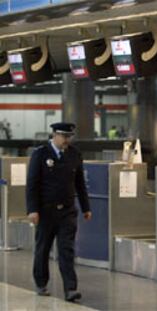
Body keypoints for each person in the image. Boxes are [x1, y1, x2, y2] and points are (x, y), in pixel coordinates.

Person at [26, 122, 92, 302]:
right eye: (64, 136)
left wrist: (86, 207)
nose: (67, 140)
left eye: (69, 137)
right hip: (45, 212)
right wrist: (32, 210)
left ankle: (70, 288)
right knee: (43, 249)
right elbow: (32, 184)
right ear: (54, 135)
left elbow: (79, 184)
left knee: (66, 250)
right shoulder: (40, 154)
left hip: (67, 212)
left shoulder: (74, 154)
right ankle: (41, 282)